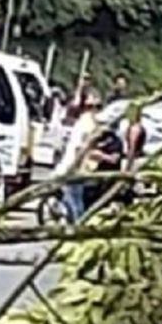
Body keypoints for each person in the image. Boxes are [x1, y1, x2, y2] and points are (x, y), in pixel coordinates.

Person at [54, 88, 102, 223]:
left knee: (73, 198)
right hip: (77, 163)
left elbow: (81, 147)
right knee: (73, 197)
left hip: (76, 165)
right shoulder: (89, 122)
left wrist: (74, 166)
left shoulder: (87, 123)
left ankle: (78, 224)